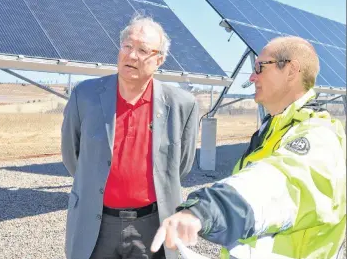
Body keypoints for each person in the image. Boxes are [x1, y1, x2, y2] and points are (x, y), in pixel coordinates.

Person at [151, 36, 346, 259]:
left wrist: (210, 208)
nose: (252, 77)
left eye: (260, 67)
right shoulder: (271, 130)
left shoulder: (318, 135)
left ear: (291, 70)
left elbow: (283, 183)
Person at [61, 14, 199, 259]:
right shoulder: (85, 96)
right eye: (127, 46)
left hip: (152, 223)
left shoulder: (182, 105)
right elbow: (73, 157)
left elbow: (181, 166)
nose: (132, 55)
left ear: (159, 59)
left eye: (143, 50)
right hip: (97, 223)